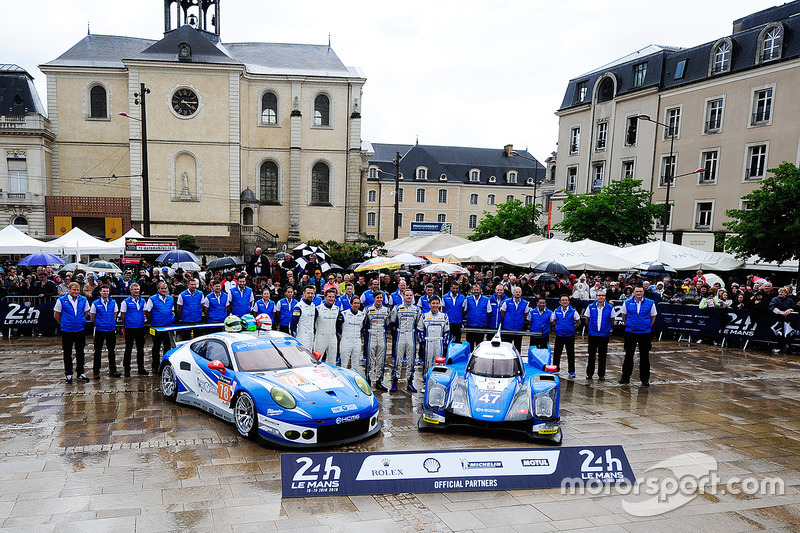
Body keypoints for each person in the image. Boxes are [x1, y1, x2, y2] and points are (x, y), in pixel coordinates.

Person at [619, 285, 658, 386]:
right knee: (628, 355)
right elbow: (624, 315)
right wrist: (628, 324)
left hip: (644, 332)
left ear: (643, 292)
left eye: (640, 291)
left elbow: (653, 316)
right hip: (630, 332)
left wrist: (648, 325)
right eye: (637, 292)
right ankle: (625, 377)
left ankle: (645, 379)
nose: (638, 293)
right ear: (634, 292)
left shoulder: (650, 303)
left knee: (644, 356)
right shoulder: (627, 302)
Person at [53, 282, 91, 383]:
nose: (76, 292)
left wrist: (81, 320)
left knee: (80, 352)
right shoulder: (61, 300)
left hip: (80, 329)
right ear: (69, 290)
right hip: (67, 330)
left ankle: (80, 372)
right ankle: (69, 373)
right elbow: (56, 314)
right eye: (74, 290)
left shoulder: (83, 299)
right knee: (67, 353)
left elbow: (86, 312)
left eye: (77, 290)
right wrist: (64, 323)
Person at [390, 288, 421, 392]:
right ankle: (395, 381)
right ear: (403, 296)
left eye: (410, 295)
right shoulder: (397, 308)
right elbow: (393, 322)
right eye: (407, 295)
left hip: (411, 335)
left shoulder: (416, 309)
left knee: (411, 359)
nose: (409, 297)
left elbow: (418, 323)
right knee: (398, 359)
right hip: (400, 334)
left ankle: (410, 382)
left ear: (413, 297)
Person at [584, 290, 616, 380]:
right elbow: (587, 320)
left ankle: (601, 374)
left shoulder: (610, 308)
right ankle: (589, 373)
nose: (601, 297)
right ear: (596, 297)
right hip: (593, 334)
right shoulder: (590, 307)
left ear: (605, 297)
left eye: (602, 295)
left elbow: (612, 320)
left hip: (604, 335)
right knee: (591, 355)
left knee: (602, 356)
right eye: (599, 295)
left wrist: (607, 328)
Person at [362, 291, 391, 391]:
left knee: (381, 360)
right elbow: (364, 324)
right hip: (371, 335)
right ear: (374, 298)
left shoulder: (386, 310)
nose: (379, 299)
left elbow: (388, 324)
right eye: (377, 298)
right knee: (370, 359)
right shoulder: (367, 309)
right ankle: (368, 380)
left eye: (381, 298)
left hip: (382, 335)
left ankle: (379, 381)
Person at [90, 285, 120, 379]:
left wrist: (110, 323)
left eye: (107, 291)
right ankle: (96, 371)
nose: (106, 293)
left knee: (112, 351)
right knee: (97, 351)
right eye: (104, 291)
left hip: (110, 329)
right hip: (100, 330)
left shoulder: (113, 303)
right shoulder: (95, 303)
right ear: (100, 292)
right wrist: (100, 323)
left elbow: (115, 315)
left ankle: (113, 370)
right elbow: (92, 317)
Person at [144, 281, 175, 374]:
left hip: (168, 327)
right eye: (162, 288)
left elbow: (172, 311)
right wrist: (152, 323)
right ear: (158, 289)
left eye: (165, 288)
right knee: (156, 348)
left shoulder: (170, 299)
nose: (164, 290)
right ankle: (155, 367)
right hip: (157, 328)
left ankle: (166, 366)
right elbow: (147, 312)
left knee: (167, 347)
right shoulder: (152, 299)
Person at [417, 295, 450, 378]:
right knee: (427, 362)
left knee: (439, 363)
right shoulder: (424, 316)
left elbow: (447, 331)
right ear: (429, 304)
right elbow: (420, 330)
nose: (435, 305)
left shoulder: (444, 316)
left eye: (437, 303)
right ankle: (425, 380)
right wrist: (422, 343)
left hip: (439, 343)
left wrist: (445, 344)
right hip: (428, 342)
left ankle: (438, 380)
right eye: (433, 303)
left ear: (439, 305)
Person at [119, 282, 147, 377]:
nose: (136, 291)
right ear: (131, 290)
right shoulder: (125, 302)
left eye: (137, 289)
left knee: (141, 349)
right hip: (130, 328)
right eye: (134, 289)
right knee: (128, 349)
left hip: (140, 327)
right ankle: (127, 369)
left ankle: (141, 368)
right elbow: (123, 315)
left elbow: (144, 312)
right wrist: (127, 324)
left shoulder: (142, 301)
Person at [551, 295, 580, 377]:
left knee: (570, 353)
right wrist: (558, 327)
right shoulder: (556, 311)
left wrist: (572, 329)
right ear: (560, 302)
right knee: (557, 353)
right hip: (559, 335)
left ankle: (571, 371)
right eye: (563, 300)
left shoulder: (573, 311)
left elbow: (578, 322)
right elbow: (553, 320)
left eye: (566, 300)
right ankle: (556, 369)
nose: (565, 301)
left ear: (569, 301)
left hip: (569, 336)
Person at [336, 296, 364, 371]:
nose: (356, 305)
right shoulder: (343, 314)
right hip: (346, 340)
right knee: (344, 364)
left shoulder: (363, 315)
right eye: (355, 303)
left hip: (357, 341)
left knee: (356, 364)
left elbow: (363, 327)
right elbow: (338, 328)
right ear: (351, 304)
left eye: (358, 303)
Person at [314, 288, 340, 362]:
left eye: (333, 297)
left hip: (332, 338)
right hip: (321, 338)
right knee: (317, 360)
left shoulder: (337, 309)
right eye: (329, 297)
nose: (331, 299)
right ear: (325, 297)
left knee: (332, 360)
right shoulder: (318, 309)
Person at [500, 286, 529, 352]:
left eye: (519, 292)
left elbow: (526, 314)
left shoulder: (525, 303)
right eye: (516, 292)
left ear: (521, 293)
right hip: (508, 328)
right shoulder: (506, 302)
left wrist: (520, 321)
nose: (517, 293)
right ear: (513, 292)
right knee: (506, 347)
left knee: (518, 348)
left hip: (519, 329)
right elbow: (502, 313)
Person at [463, 283, 490, 350]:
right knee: (470, 345)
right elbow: (465, 310)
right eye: (475, 290)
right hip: (470, 325)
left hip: (481, 325)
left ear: (480, 290)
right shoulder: (468, 299)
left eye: (477, 290)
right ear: (472, 290)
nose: (476, 291)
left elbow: (489, 312)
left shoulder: (486, 300)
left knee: (479, 345)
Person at [769, 287, 795, 354]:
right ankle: (778, 347)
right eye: (780, 292)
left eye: (782, 292)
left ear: (786, 293)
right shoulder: (775, 299)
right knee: (778, 333)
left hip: (787, 320)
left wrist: (790, 310)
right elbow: (772, 307)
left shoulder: (790, 300)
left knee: (787, 334)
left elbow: (793, 307)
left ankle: (785, 347)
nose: (780, 293)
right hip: (777, 319)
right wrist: (780, 312)